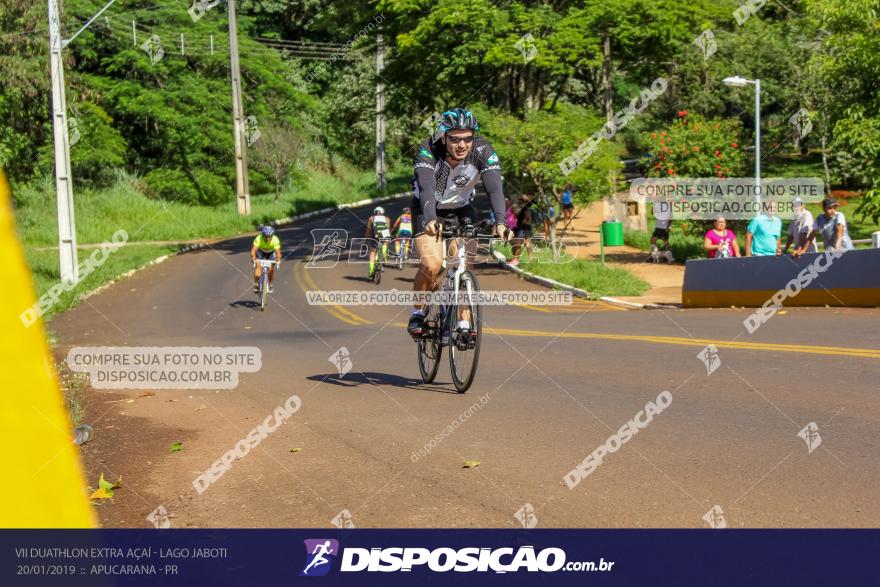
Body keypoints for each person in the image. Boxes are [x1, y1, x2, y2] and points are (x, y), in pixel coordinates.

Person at [407, 108, 511, 336]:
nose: (462, 145)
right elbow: (426, 189)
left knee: (463, 265)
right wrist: (431, 219)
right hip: (427, 208)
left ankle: (463, 322)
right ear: (443, 136)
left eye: (467, 139)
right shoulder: (428, 149)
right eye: (455, 139)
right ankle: (418, 312)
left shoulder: (484, 151)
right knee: (431, 265)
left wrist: (501, 222)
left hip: (461, 209)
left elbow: (495, 189)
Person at [251, 225, 281, 293]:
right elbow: (253, 250)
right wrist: (253, 257)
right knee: (258, 265)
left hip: (271, 253)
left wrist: (278, 259)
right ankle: (256, 284)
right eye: (266, 237)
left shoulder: (275, 239)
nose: (267, 239)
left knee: (271, 268)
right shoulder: (258, 238)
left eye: (269, 237)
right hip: (261, 252)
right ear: (262, 235)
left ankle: (270, 285)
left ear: (272, 235)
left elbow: (278, 252)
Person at [364, 206, 391, 278]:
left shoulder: (371, 218)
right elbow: (387, 229)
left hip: (375, 236)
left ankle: (371, 269)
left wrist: (366, 239)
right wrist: (388, 238)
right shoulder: (387, 218)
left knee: (373, 252)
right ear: (382, 212)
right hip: (384, 235)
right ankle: (383, 256)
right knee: (383, 244)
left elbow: (368, 229)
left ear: (375, 212)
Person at [510, 196, 534, 267]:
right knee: (519, 244)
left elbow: (529, 221)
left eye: (521, 202)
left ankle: (529, 259)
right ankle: (517, 259)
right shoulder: (520, 209)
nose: (520, 203)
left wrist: (524, 221)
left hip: (525, 228)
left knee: (525, 243)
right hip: (520, 228)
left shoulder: (526, 209)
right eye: (519, 202)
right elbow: (514, 213)